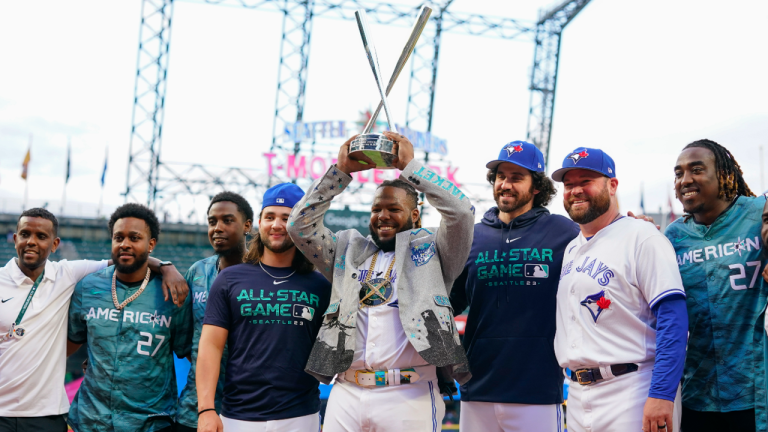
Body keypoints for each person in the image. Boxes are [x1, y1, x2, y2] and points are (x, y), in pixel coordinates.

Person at [287, 132, 475, 431]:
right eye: (376, 209)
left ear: (414, 214)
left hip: (409, 395)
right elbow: (299, 226)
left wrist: (411, 167)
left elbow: (462, 213)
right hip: (346, 391)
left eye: (393, 209)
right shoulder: (347, 250)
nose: (382, 216)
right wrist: (340, 173)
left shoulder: (435, 250)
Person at [0, 208, 187, 432]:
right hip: (83, 419)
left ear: (54, 244)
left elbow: (123, 260)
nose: (31, 242)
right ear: (15, 238)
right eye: (25, 234)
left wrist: (166, 267)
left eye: (41, 236)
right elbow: (72, 340)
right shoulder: (87, 286)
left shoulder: (67, 274)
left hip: (50, 414)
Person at [552, 147, 688, 432]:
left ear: (612, 185)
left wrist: (662, 394)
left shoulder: (642, 236)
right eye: (569, 184)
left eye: (585, 181)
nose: (575, 190)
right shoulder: (571, 249)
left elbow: (673, 319)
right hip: (577, 395)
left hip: (633, 388)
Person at [450, 141, 579, 431]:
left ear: (537, 187)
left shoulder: (565, 232)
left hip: (538, 390)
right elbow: (447, 302)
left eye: (516, 177)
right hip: (477, 387)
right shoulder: (471, 235)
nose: (505, 184)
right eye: (500, 176)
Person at [196, 183, 331, 432]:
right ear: (259, 222)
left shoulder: (321, 284)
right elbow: (211, 346)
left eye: (287, 217)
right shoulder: (230, 279)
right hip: (238, 415)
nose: (276, 225)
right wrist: (205, 409)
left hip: (301, 415)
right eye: (270, 217)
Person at [665, 139, 767, 432]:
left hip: (756, 391)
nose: (685, 180)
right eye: (679, 173)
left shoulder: (758, 213)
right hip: (699, 393)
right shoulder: (672, 237)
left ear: (724, 174)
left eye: (696, 170)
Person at [66, 203, 193, 432]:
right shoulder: (87, 287)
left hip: (151, 423)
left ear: (151, 243)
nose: (125, 244)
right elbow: (69, 344)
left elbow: (192, 355)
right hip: (90, 420)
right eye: (119, 237)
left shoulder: (173, 294)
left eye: (134, 238)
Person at [174, 192, 254, 432]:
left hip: (248, 409)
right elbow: (185, 342)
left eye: (227, 220)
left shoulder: (263, 273)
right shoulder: (198, 272)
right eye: (212, 222)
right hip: (195, 410)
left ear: (247, 225)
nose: (218, 228)